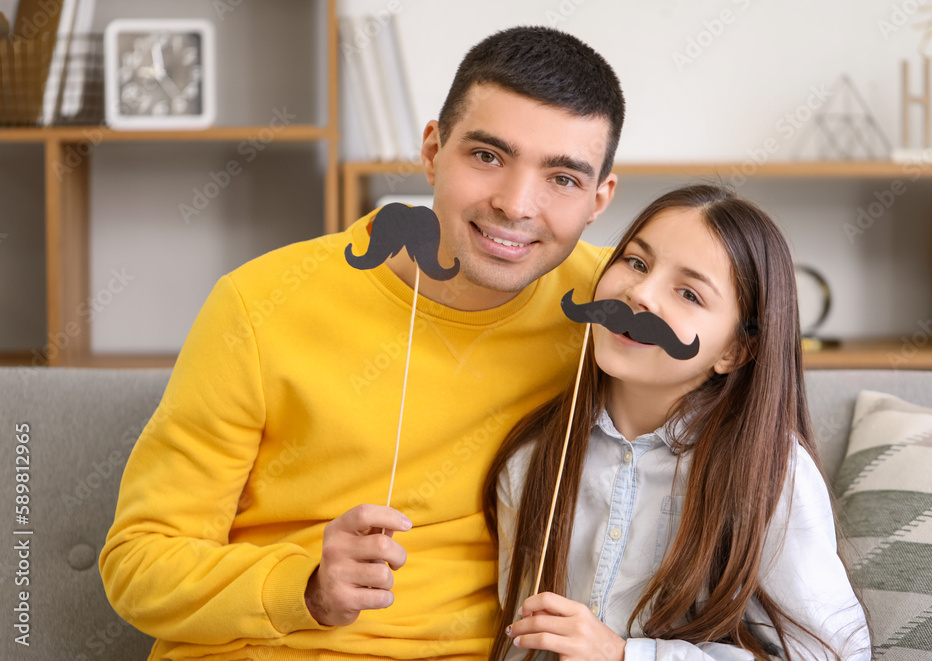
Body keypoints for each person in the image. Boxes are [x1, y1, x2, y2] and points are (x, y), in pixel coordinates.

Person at [100, 26, 623, 660]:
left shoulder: (612, 311)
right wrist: (310, 588)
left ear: (599, 200)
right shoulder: (259, 303)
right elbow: (137, 563)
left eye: (562, 179)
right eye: (487, 156)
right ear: (432, 150)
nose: (516, 205)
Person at [484, 185, 871, 660]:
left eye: (689, 293)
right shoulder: (532, 458)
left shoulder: (769, 472)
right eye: (637, 263)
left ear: (734, 350)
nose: (640, 294)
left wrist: (625, 655)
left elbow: (832, 655)